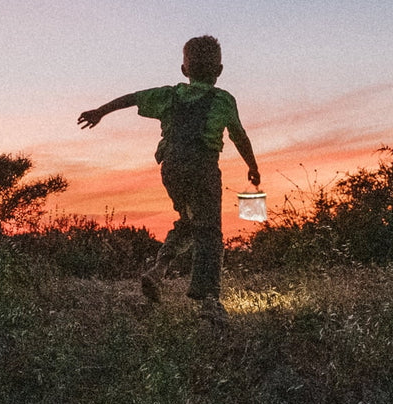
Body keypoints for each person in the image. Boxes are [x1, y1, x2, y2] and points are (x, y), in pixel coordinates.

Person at [77, 35, 260, 324]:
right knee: (209, 232)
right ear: (220, 71)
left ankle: (158, 270)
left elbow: (132, 98)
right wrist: (253, 167)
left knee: (189, 223)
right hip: (203, 168)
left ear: (184, 70)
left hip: (172, 168)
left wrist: (100, 111)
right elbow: (240, 136)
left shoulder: (169, 94)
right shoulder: (223, 100)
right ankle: (209, 301)